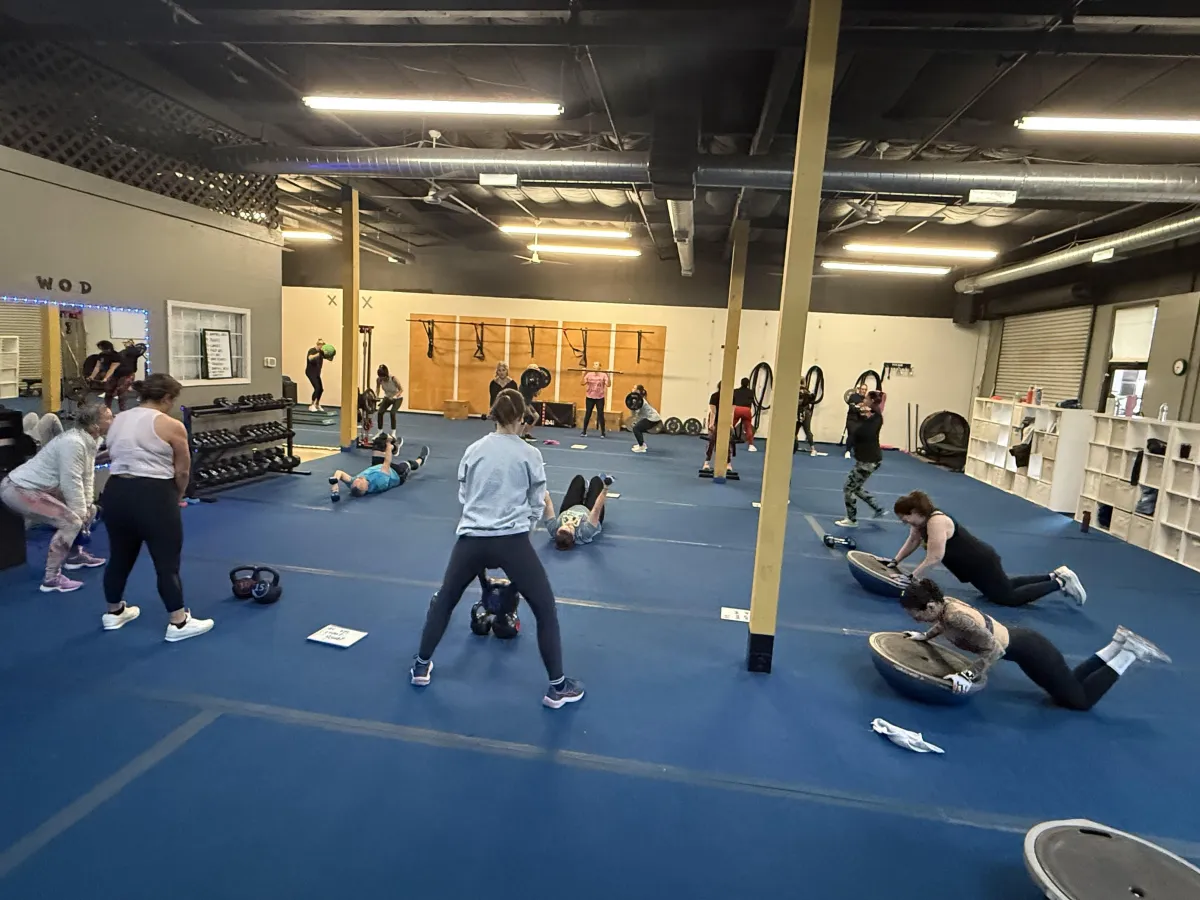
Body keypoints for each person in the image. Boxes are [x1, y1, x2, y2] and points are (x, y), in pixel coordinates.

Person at [410, 388, 584, 709]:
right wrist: (521, 529)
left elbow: (464, 495)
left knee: (445, 600)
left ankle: (420, 667)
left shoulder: (473, 449)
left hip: (470, 540)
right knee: (545, 608)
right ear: (521, 417)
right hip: (511, 542)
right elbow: (537, 502)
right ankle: (557, 687)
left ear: (494, 415)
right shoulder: (530, 454)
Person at [899, 577, 1170, 708]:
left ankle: (1129, 652)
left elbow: (994, 649)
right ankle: (1118, 643)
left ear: (931, 606)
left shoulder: (957, 617)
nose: (916, 620)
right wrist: (924, 637)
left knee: (1080, 702)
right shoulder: (946, 607)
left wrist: (968, 676)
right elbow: (942, 625)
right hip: (1024, 645)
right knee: (1066, 688)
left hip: (1030, 649)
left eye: (917, 615)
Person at [100, 373, 211, 641]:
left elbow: (112, 452)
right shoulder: (171, 425)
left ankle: (114, 613)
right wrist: (176, 496)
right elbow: (182, 470)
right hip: (154, 494)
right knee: (166, 562)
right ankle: (179, 623)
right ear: (167, 398)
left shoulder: (118, 419)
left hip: (115, 492)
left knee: (119, 556)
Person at [890, 490, 1086, 607]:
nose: (904, 521)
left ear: (914, 511)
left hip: (980, 562)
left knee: (1007, 597)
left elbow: (934, 557)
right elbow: (913, 541)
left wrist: (912, 578)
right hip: (971, 565)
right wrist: (895, 561)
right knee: (1003, 587)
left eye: (904, 517)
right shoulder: (920, 523)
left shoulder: (936, 522)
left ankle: (1060, 583)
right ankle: (1053, 575)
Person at [0, 403, 111, 593]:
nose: (113, 419)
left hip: (43, 488)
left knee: (89, 510)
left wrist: (86, 506)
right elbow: (71, 480)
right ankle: (51, 579)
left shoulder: (91, 440)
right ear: (94, 425)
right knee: (71, 522)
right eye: (108, 417)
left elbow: (87, 475)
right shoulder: (73, 443)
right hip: (18, 489)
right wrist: (80, 512)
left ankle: (74, 556)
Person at [836, 389, 886, 527]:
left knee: (848, 488)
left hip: (868, 460)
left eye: (866, 399)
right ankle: (877, 508)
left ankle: (851, 519)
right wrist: (862, 415)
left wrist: (860, 418)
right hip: (869, 458)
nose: (864, 401)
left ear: (871, 401)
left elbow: (862, 433)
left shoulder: (875, 419)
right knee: (856, 487)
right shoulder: (873, 417)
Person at [330, 437, 430, 501]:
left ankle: (395, 447)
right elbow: (387, 462)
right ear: (366, 487)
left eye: (358, 479)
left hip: (378, 467)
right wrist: (388, 446)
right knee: (408, 464)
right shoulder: (379, 481)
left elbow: (339, 473)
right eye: (361, 480)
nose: (360, 477)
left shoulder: (354, 483)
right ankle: (421, 460)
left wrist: (335, 487)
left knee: (378, 444)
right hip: (396, 473)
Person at [543, 473, 613, 550]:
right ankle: (587, 494)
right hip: (589, 512)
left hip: (570, 508)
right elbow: (596, 509)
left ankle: (584, 492)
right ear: (573, 537)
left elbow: (548, 505)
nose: (568, 523)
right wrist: (605, 488)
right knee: (596, 481)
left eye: (564, 526)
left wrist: (543, 492)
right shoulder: (584, 532)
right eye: (570, 527)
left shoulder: (554, 529)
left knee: (578, 479)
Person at [702, 383, 736, 474]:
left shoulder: (731, 397)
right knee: (712, 441)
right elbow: (713, 412)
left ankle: (728, 464)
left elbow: (731, 412)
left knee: (727, 442)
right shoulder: (714, 396)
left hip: (725, 421)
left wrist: (731, 424)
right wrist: (711, 424)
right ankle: (706, 462)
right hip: (716, 420)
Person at [628, 384, 662, 454]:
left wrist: (635, 420)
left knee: (636, 428)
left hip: (653, 418)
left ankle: (641, 447)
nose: (632, 389)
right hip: (651, 417)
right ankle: (642, 444)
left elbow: (637, 413)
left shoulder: (640, 401)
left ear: (637, 391)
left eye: (634, 388)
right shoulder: (638, 399)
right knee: (637, 428)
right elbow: (636, 413)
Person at [580, 361, 610, 438]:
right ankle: (584, 431)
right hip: (589, 397)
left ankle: (603, 432)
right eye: (594, 365)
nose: (595, 366)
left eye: (596, 364)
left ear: (600, 367)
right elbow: (582, 383)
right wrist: (583, 374)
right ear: (593, 367)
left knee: (600, 415)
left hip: (600, 398)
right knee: (588, 414)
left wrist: (608, 375)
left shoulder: (603, 375)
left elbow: (608, 385)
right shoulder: (589, 374)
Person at [374, 364, 404, 438]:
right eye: (380, 377)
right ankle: (380, 432)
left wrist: (395, 397)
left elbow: (401, 390)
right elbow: (378, 388)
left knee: (392, 413)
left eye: (382, 377)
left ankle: (393, 433)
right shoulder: (379, 380)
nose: (381, 379)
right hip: (387, 397)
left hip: (397, 398)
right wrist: (376, 396)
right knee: (380, 412)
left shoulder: (393, 379)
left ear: (386, 375)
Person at [518, 363, 545, 441]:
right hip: (522, 401)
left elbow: (536, 394)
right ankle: (520, 435)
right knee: (530, 417)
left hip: (527, 402)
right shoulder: (526, 381)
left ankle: (526, 433)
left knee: (536, 416)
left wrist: (540, 386)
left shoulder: (534, 383)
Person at [843, 380, 870, 459]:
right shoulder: (853, 396)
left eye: (865, 389)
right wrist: (860, 408)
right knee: (851, 434)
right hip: (852, 419)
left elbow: (868, 410)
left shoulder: (867, 399)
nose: (864, 391)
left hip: (861, 420)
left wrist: (866, 411)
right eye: (862, 389)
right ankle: (847, 451)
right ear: (859, 389)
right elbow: (852, 408)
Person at [731, 377, 757, 451]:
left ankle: (724, 441)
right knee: (748, 427)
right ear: (748, 384)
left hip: (737, 409)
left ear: (741, 383)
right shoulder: (751, 392)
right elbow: (751, 401)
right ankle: (751, 445)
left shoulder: (735, 391)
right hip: (746, 410)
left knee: (731, 425)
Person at [306, 338, 326, 412]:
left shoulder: (321, 352)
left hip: (317, 373)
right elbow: (310, 358)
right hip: (310, 372)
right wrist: (318, 354)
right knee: (317, 388)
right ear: (318, 345)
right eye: (321, 345)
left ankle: (317, 404)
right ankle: (311, 405)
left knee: (321, 389)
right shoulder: (312, 350)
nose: (322, 347)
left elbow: (329, 357)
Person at [795, 384, 817, 455]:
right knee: (794, 431)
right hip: (798, 412)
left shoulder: (804, 392)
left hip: (804, 412)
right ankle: (794, 446)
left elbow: (809, 399)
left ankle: (813, 449)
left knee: (807, 430)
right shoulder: (801, 391)